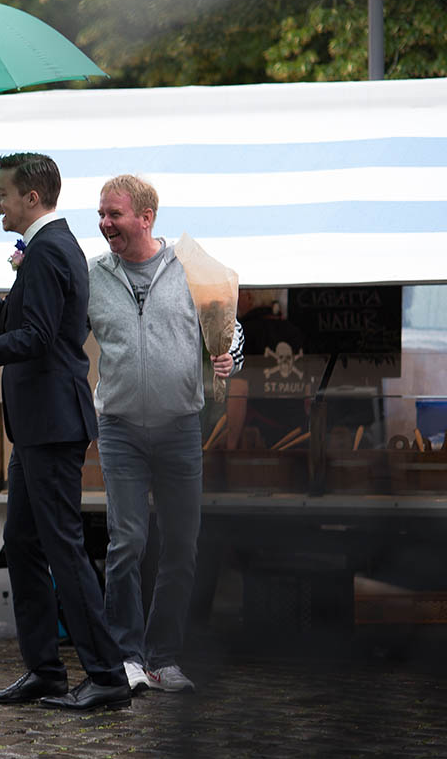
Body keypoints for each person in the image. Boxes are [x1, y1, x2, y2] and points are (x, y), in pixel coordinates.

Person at [0, 152, 131, 712]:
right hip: (38, 423)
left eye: (2, 193)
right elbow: (10, 324)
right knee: (22, 542)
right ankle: (44, 672)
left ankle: (108, 675)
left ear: (30, 198)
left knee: (61, 546)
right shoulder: (45, 249)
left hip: (51, 422)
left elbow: (33, 339)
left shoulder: (48, 252)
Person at [88, 175, 244, 693]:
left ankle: (164, 658)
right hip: (120, 428)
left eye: (114, 214)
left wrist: (229, 357)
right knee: (127, 539)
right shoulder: (94, 276)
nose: (105, 223)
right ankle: (127, 657)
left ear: (146, 217)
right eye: (102, 214)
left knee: (181, 543)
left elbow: (233, 332)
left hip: (180, 426)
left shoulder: (193, 271)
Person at [225, 290, 309, 450]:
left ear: (248, 297)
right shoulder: (295, 332)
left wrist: (231, 443)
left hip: (258, 441)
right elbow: (307, 391)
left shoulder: (244, 333)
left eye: (237, 294)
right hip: (297, 438)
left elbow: (238, 391)